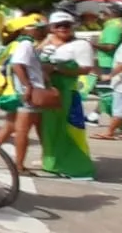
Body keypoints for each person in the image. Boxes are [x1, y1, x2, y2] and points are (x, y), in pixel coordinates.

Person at [38, 11, 97, 179]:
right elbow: (33, 58)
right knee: (50, 130)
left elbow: (85, 69)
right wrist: (46, 43)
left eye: (67, 25)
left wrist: (57, 69)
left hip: (67, 93)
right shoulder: (47, 43)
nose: (63, 28)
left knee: (71, 131)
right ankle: (53, 163)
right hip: (48, 92)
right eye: (58, 25)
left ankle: (77, 168)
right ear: (51, 27)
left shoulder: (80, 45)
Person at [0, 14, 48, 172]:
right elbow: (17, 65)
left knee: (10, 126)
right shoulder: (26, 44)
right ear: (27, 30)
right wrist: (28, 86)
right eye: (38, 28)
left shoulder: (13, 45)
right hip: (26, 93)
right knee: (22, 130)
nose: (42, 31)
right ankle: (19, 165)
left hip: (14, 91)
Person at [96, 3, 122, 78]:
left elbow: (110, 47)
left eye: (104, 12)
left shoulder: (113, 26)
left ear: (113, 13)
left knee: (107, 87)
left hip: (109, 64)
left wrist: (92, 44)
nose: (102, 14)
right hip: (113, 62)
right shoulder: (118, 23)